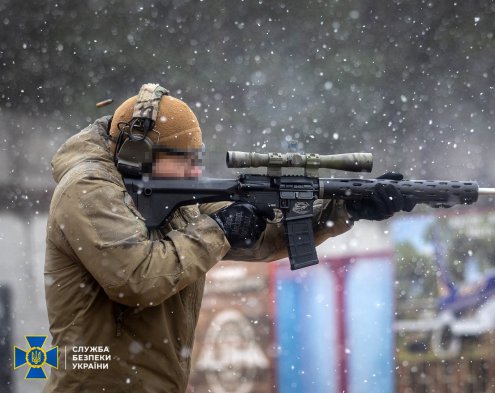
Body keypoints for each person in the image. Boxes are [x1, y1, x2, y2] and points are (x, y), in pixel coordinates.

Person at [44, 83, 413, 392]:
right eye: (185, 159)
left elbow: (265, 239)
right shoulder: (88, 189)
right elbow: (137, 277)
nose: (197, 170)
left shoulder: (172, 196)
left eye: (198, 157)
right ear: (138, 155)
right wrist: (219, 229)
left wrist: (345, 210)